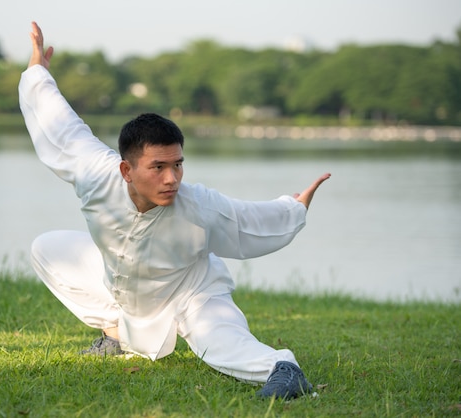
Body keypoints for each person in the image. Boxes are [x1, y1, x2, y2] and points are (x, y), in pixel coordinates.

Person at [19, 21, 331, 400]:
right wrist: (37, 74)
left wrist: (293, 208)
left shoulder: (197, 207)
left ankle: (283, 370)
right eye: (158, 167)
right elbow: (59, 128)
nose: (172, 179)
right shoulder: (95, 174)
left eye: (178, 164)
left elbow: (252, 223)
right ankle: (116, 335)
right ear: (126, 170)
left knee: (220, 341)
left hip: (192, 292)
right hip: (124, 288)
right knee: (47, 248)